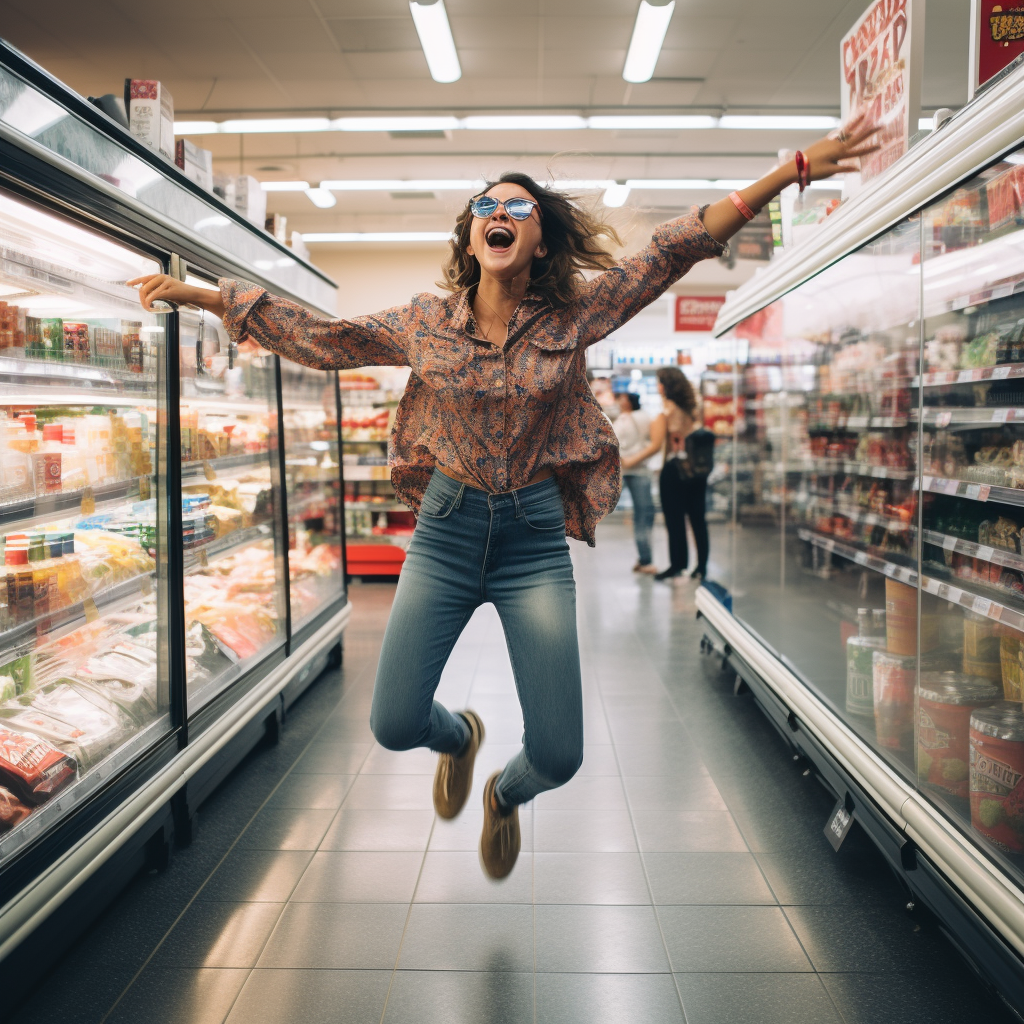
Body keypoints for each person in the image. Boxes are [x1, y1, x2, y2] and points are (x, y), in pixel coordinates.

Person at [129, 119, 877, 879]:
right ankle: (458, 738)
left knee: (559, 752)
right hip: (445, 535)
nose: (500, 212)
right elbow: (324, 337)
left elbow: (670, 249)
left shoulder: (573, 318)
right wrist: (199, 294)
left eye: (519, 207)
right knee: (393, 724)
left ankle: (504, 792)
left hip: (533, 540)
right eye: (487, 204)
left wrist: (791, 171)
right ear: (471, 237)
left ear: (542, 240)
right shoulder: (425, 322)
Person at [655, 366, 708, 581]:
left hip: (675, 470)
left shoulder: (670, 410)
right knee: (698, 519)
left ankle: (678, 564)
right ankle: (701, 566)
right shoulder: (693, 408)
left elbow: (675, 440)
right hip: (697, 470)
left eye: (659, 382)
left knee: (674, 520)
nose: (657, 387)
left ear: (667, 386)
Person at [613, 392, 663, 573]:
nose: (619, 400)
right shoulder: (637, 417)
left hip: (631, 468)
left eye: (622, 398)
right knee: (644, 515)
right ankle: (645, 559)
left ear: (628, 400)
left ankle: (645, 559)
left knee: (643, 515)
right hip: (636, 469)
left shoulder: (633, 418)